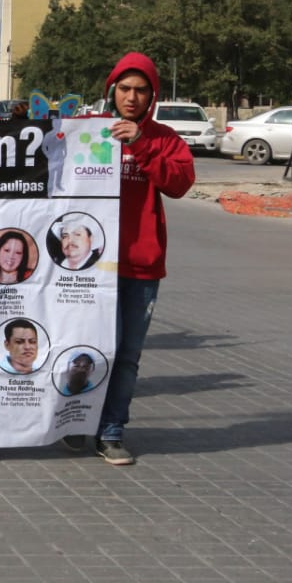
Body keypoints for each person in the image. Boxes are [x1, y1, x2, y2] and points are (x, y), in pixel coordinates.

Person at [63, 51, 194, 465]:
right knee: (83, 347)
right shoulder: (89, 131)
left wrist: (141, 145)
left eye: (141, 90)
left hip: (140, 264)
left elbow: (179, 184)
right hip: (86, 267)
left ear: (152, 95)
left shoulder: (164, 138)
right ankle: (74, 421)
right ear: (111, 91)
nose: (132, 97)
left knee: (126, 355)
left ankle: (112, 431)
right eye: (125, 89)